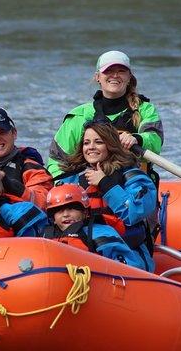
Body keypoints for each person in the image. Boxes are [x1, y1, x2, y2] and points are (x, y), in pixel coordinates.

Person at [54, 120, 156, 271]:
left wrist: (104, 183)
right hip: (82, 253)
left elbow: (134, 212)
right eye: (86, 143)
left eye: (98, 142)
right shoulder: (71, 180)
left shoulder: (134, 178)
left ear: (110, 145)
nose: (91, 147)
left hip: (128, 256)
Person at [47, 50, 163, 182]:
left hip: (133, 188)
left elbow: (155, 142)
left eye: (121, 71)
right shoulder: (79, 115)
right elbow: (57, 160)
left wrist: (137, 139)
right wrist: (70, 190)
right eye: (108, 71)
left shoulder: (145, 110)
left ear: (129, 77)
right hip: (88, 189)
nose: (115, 75)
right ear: (97, 77)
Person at [43, 184, 152, 271]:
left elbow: (129, 268)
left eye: (72, 209)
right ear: (53, 217)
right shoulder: (46, 236)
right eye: (59, 211)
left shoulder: (99, 232)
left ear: (85, 212)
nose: (66, 214)